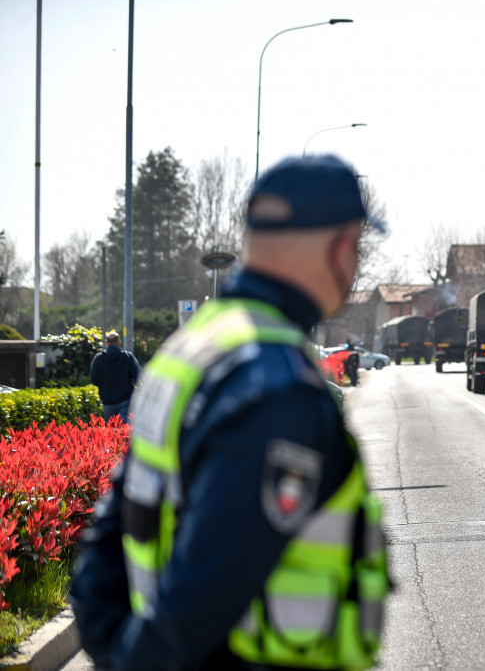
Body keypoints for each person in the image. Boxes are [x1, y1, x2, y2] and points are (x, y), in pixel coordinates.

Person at [70, 155, 391, 671]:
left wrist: (113, 650)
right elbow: (207, 589)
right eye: (355, 246)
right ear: (337, 247)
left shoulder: (189, 350)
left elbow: (110, 533)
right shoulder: (279, 388)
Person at [88, 330, 141, 423]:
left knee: (111, 430)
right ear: (119, 342)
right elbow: (138, 376)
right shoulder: (127, 357)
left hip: (107, 402)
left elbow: (94, 379)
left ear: (106, 343)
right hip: (125, 401)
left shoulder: (98, 359)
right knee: (124, 429)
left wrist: (105, 386)